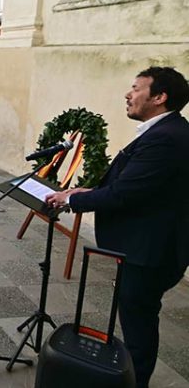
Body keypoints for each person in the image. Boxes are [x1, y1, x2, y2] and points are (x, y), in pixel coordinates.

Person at [45, 67, 189, 388]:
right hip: (147, 246)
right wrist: (86, 192)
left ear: (159, 97)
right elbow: (137, 185)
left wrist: (73, 200)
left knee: (138, 330)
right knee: (138, 322)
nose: (128, 94)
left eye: (136, 88)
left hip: (149, 252)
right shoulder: (165, 131)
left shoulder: (166, 138)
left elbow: (126, 194)